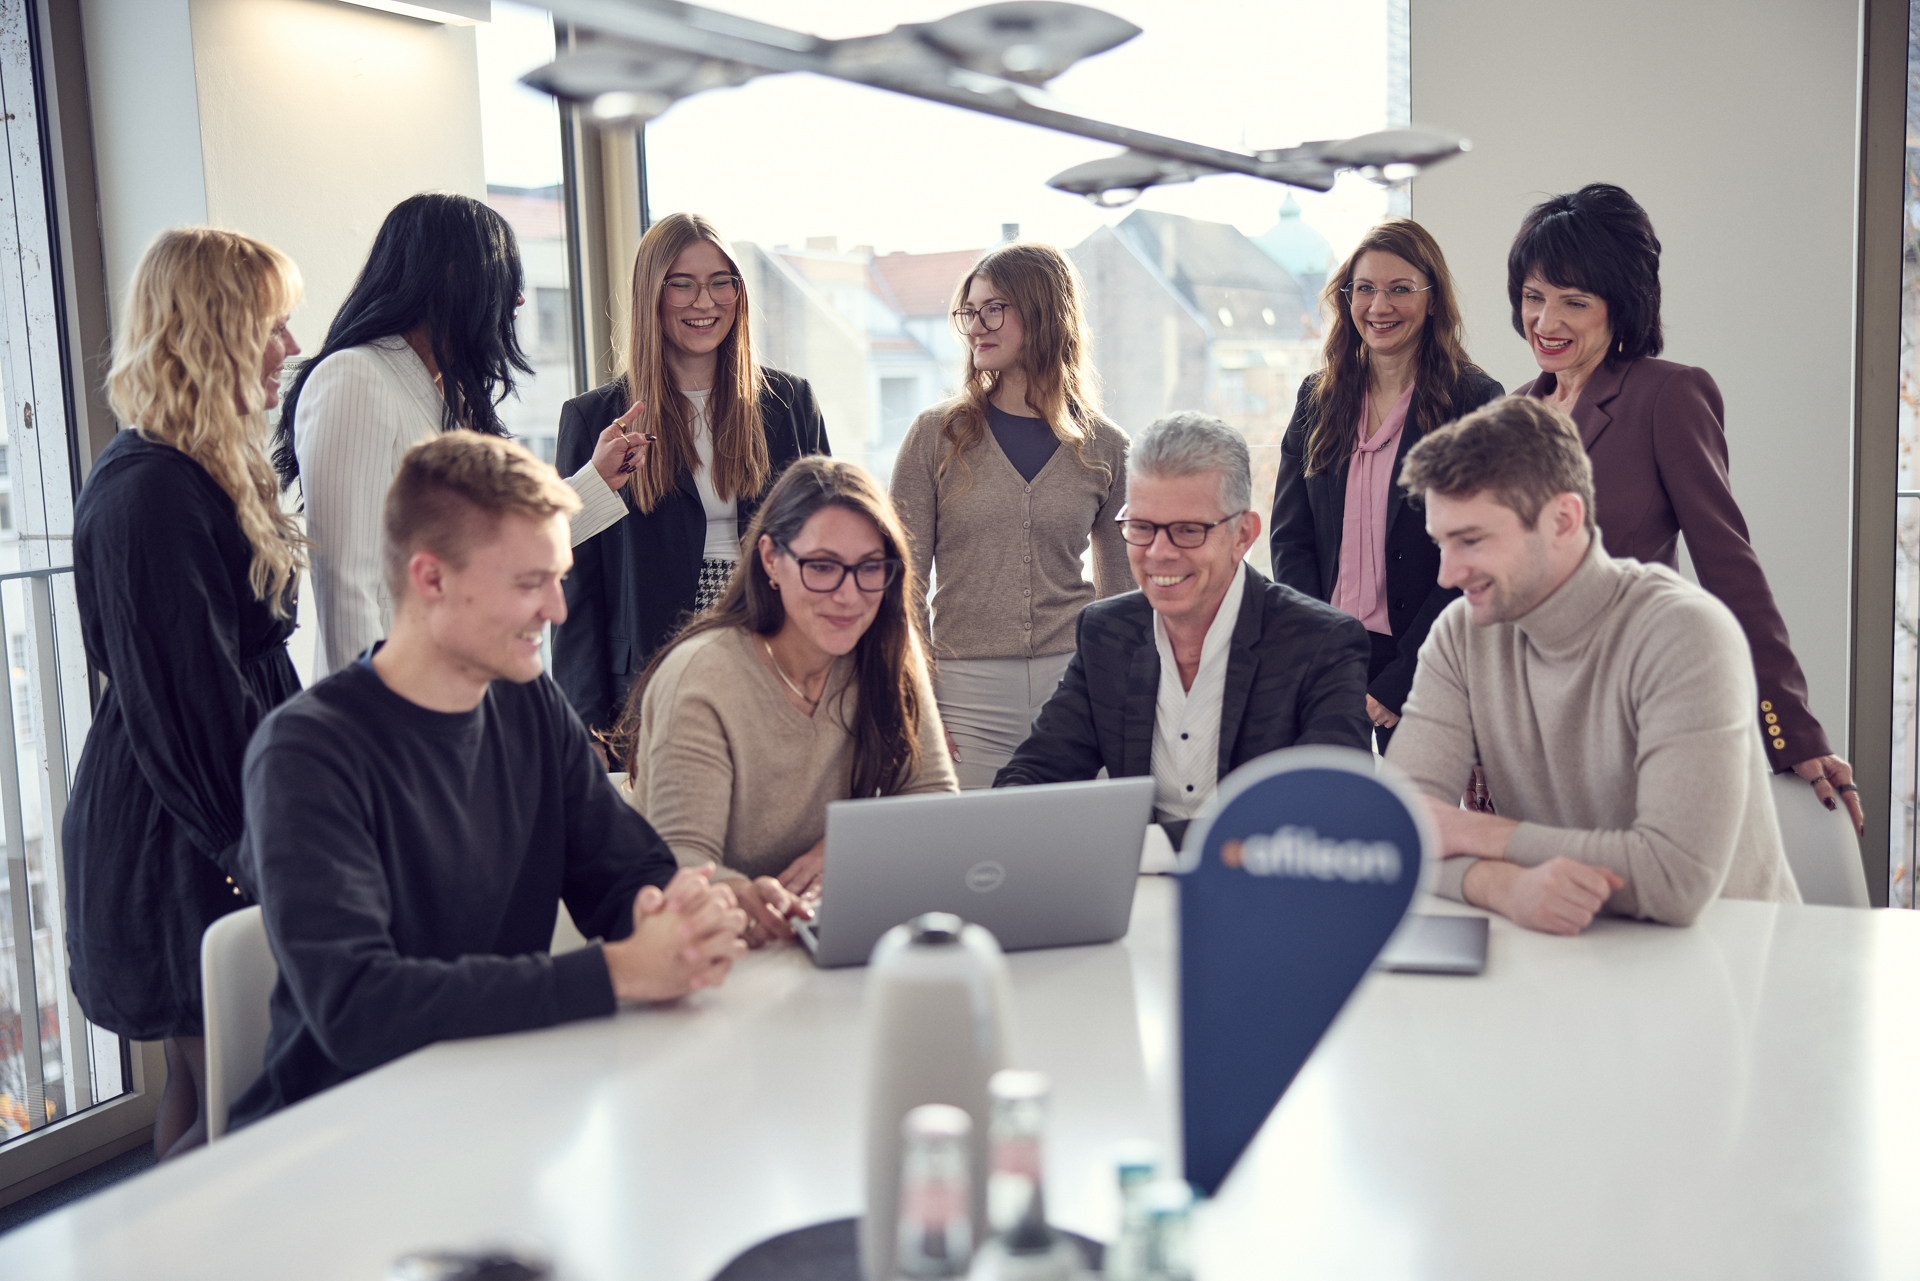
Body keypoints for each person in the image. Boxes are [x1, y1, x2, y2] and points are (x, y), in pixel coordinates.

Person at [229, 433, 749, 1128]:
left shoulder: (528, 700)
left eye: (558, 577)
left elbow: (624, 871)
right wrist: (622, 969)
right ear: (431, 578)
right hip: (339, 1133)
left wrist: (669, 914)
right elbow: (358, 1006)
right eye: (530, 583)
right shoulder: (306, 753)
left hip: (495, 1101)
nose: (558, 610)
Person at [1507, 183, 1861, 831]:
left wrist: (1791, 728)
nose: (1545, 322)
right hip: (1522, 729)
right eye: (1533, 297)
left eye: (1573, 302)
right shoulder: (1510, 412)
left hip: (1632, 714)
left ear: (1622, 306)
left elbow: (1730, 567)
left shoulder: (1667, 396)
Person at [64, 227, 307, 1159]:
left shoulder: (194, 469)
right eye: (272, 326)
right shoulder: (147, 495)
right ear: (209, 329)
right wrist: (261, 852)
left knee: (210, 1099)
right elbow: (191, 713)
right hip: (184, 835)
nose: (290, 346)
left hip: (206, 821)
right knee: (235, 1116)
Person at [1388, 396, 1800, 935]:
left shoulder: (1686, 633)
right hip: (1568, 955)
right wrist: (1504, 886)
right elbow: (1393, 834)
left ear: (1563, 519)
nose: (1446, 574)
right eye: (1442, 543)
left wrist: (1478, 834)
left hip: (1732, 966)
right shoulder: (1460, 635)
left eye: (1471, 540)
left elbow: (1673, 881)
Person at [277, 193, 642, 675]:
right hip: (397, 710)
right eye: (504, 274)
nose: (518, 299)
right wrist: (371, 722)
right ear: (450, 274)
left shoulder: (444, 392)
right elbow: (346, 582)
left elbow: (496, 550)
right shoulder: (355, 377)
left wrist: (596, 479)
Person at [614, 457, 958, 942]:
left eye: (870, 568)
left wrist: (843, 848)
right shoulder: (702, 675)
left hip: (830, 930)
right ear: (771, 559)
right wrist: (749, 895)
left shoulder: (887, 648)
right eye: (822, 567)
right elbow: (681, 861)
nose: (849, 595)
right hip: (707, 942)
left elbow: (935, 803)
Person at [996, 412, 1371, 847]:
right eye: (1140, 527)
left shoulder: (1321, 643)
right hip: (1138, 896)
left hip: (1270, 899)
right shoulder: (1107, 633)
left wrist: (1147, 843)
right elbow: (1031, 777)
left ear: (1243, 535)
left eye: (1188, 531)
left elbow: (1337, 813)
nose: (1159, 553)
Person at [556, 212, 830, 736]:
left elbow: (826, 544)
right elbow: (576, 587)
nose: (704, 303)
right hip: (651, 666)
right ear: (650, 295)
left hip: (772, 643)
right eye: (681, 285)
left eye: (719, 283)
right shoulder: (595, 418)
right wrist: (582, 726)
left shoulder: (789, 403)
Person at [890, 242, 1131, 788]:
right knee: (973, 860)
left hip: (1074, 686)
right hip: (963, 692)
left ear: (1043, 313)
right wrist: (919, 697)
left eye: (994, 308)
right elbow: (901, 580)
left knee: (1070, 853)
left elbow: (1121, 596)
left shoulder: (1107, 446)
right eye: (969, 311)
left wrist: (1116, 699)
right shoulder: (936, 436)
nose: (976, 325)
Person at [1268, 218, 1503, 750]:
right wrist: (1319, 655)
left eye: (1401, 289)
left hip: (1424, 658)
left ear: (1434, 299)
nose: (1380, 306)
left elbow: (1477, 554)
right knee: (1338, 823)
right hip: (1330, 657)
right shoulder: (1317, 399)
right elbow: (1291, 541)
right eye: (1365, 289)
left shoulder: (1475, 402)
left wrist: (1403, 678)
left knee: (1419, 825)